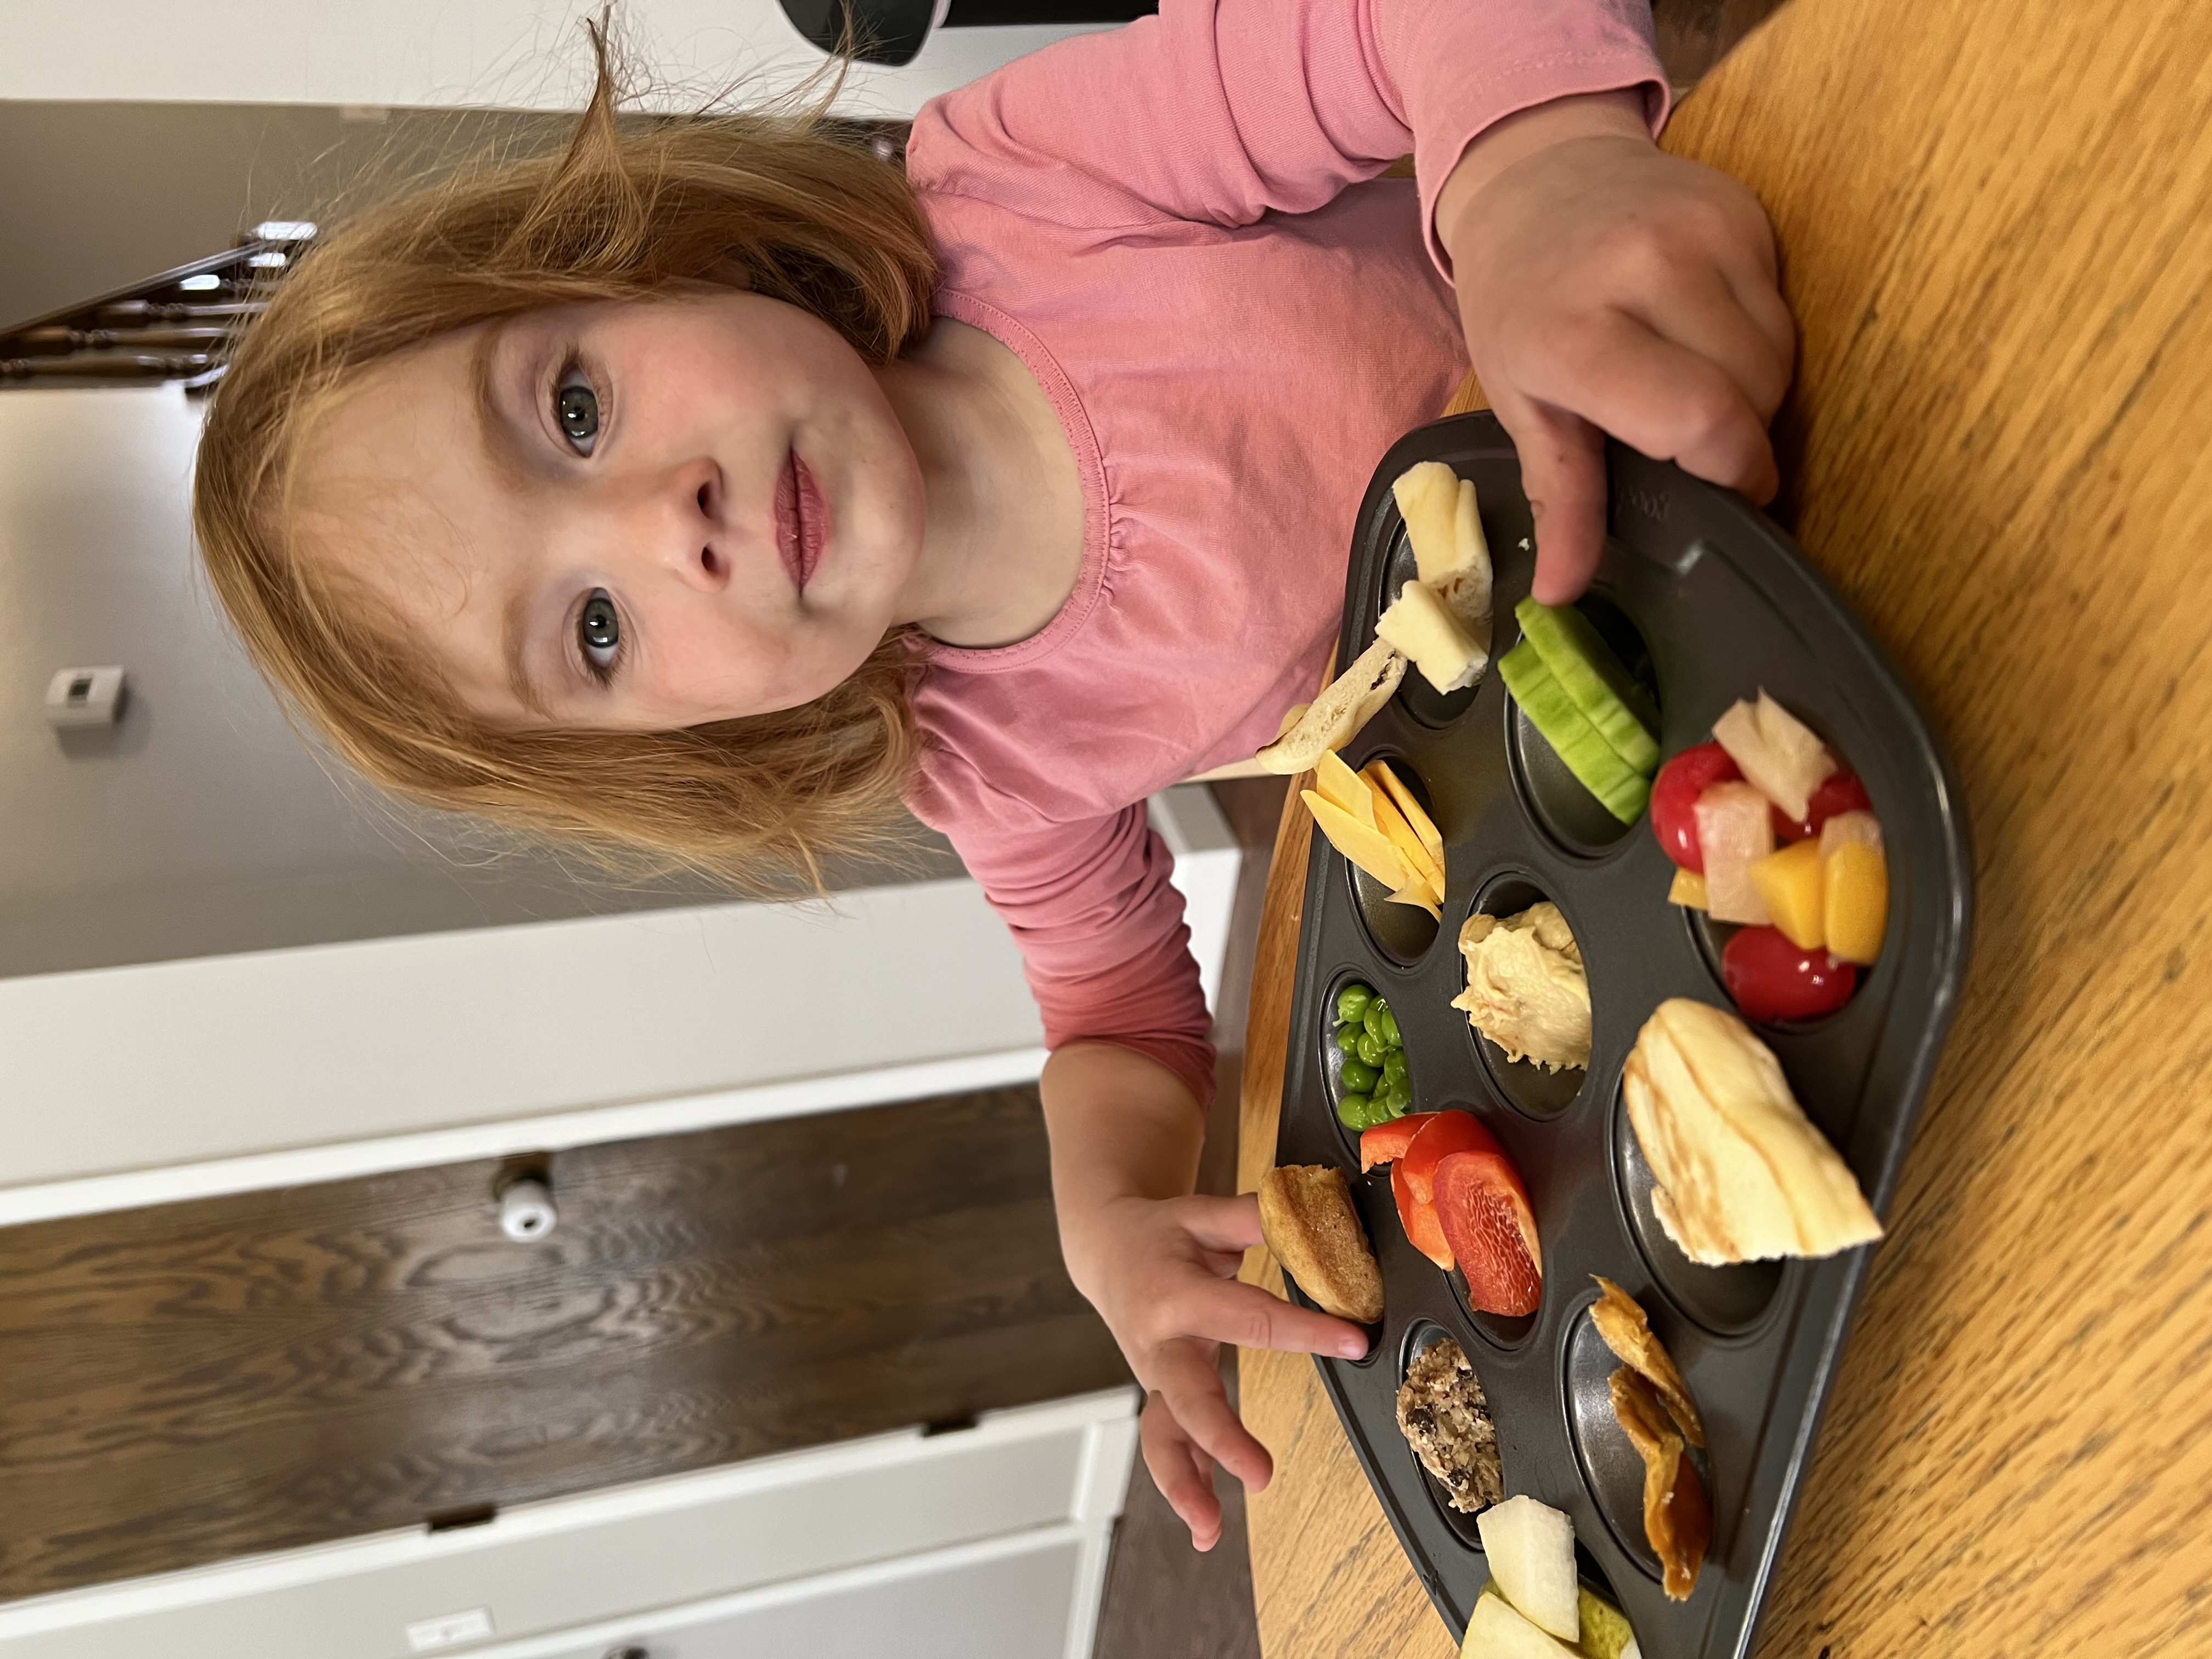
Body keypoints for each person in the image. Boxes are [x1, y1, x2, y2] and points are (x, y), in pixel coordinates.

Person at [192, 0, 1791, 1551]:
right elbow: (1113, 1004)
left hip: (1720, 385)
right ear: (682, 744)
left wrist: (1525, 186)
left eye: (576, 406)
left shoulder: (1021, 193)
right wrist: (1104, 1220)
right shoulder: (973, 749)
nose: (667, 523)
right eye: (598, 630)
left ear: (647, 266)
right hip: (1666, 775)